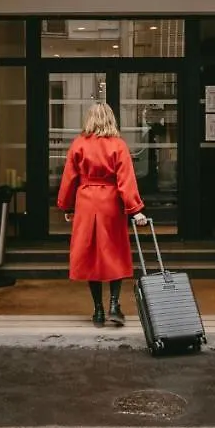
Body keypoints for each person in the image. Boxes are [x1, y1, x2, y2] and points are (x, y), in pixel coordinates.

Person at [57, 101, 149, 327]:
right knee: (114, 252)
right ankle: (114, 305)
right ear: (111, 119)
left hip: (86, 201)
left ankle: (97, 310)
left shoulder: (78, 144)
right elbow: (126, 181)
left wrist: (68, 206)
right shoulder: (118, 145)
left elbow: (69, 179)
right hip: (110, 203)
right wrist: (135, 209)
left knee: (90, 255)